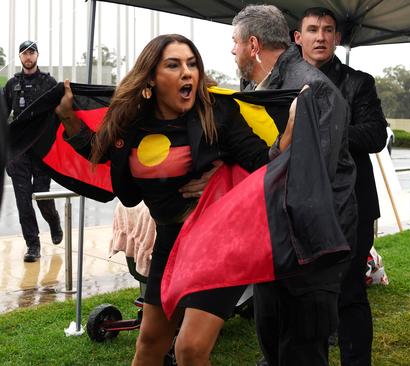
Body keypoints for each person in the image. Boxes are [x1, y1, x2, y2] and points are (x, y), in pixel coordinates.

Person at [55, 34, 287, 365]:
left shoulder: (217, 112)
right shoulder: (131, 120)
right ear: (151, 77)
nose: (187, 72)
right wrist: (67, 117)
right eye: (173, 65)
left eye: (192, 64)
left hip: (216, 243)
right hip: (168, 241)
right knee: (149, 343)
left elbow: (260, 161)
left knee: (190, 349)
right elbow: (99, 151)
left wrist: (277, 141)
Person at [231, 5, 357, 366]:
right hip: (274, 237)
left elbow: (307, 175)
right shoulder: (257, 85)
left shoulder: (312, 90)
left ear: (252, 44)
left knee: (301, 346)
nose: (232, 51)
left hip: (309, 245)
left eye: (234, 43)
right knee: (272, 336)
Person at [294, 7, 387, 366]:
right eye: (313, 29)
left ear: (337, 38)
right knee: (298, 292)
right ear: (297, 37)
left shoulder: (358, 82)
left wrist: (317, 133)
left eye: (328, 30)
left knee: (349, 293)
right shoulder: (282, 82)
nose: (320, 37)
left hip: (353, 203)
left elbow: (375, 135)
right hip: (297, 202)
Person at [3, 40, 62, 262]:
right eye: (24, 53)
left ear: (37, 55)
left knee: (42, 196)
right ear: (19, 57)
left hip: (42, 149)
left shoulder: (49, 83)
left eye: (31, 52)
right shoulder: (12, 85)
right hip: (19, 151)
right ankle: (33, 245)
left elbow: (62, 111)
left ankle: (53, 221)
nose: (28, 57)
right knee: (23, 200)